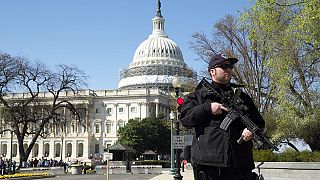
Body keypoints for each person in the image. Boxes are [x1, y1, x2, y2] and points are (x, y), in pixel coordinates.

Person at [179, 54, 265, 180]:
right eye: (224, 66)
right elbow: (185, 118)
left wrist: (251, 130)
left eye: (230, 66)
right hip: (209, 164)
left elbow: (259, 122)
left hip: (240, 163)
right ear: (212, 72)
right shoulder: (198, 96)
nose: (229, 69)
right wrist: (208, 108)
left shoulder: (243, 97)